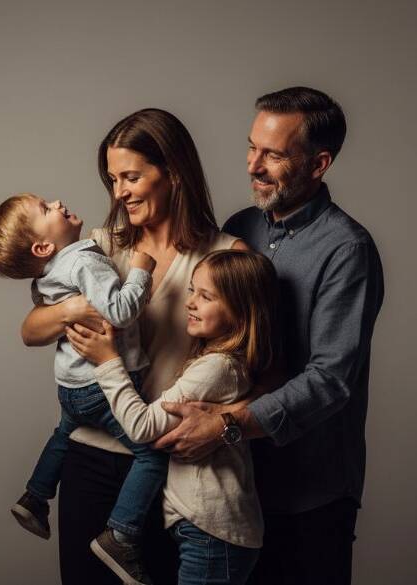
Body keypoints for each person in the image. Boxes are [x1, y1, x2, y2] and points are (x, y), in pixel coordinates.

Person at [153, 87, 384, 585]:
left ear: (319, 163)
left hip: (309, 494)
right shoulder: (240, 229)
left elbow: (331, 379)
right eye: (251, 147)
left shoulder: (348, 250)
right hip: (231, 494)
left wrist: (226, 425)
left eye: (274, 154)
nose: (253, 166)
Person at [20, 108, 248, 585]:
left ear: (174, 173)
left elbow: (257, 364)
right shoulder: (98, 248)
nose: (119, 192)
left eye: (131, 177)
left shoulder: (226, 258)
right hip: (90, 455)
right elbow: (30, 329)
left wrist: (227, 423)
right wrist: (73, 311)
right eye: (112, 179)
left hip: (170, 467)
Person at [0, 192, 165, 584]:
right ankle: (121, 535)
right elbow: (118, 311)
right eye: (46, 209)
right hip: (101, 386)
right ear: (43, 245)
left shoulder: (49, 271)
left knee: (64, 432)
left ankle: (36, 495)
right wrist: (141, 270)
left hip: (70, 387)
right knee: (150, 453)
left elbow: (44, 312)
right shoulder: (84, 259)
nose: (59, 202)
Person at [67, 249, 277, 585]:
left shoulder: (217, 368)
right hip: (202, 528)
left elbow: (142, 426)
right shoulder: (214, 361)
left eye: (206, 296)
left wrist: (107, 361)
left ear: (241, 311)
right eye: (192, 290)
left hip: (212, 534)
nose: (190, 302)